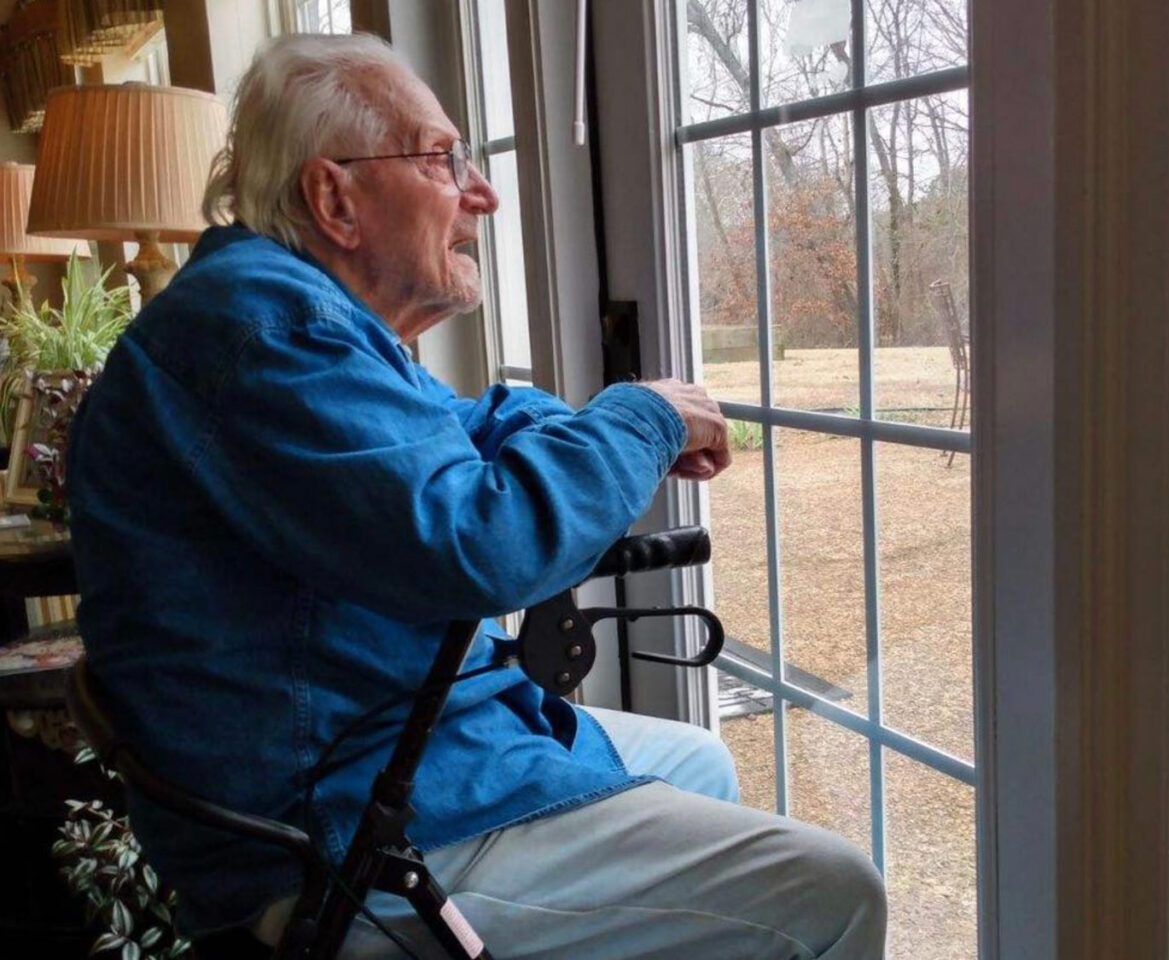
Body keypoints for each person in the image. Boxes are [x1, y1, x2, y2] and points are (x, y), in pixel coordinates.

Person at [67, 32, 886, 960]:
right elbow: (484, 542)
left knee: (698, 759)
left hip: (384, 753)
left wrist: (569, 430)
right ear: (334, 197)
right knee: (833, 891)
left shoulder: (298, 321)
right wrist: (640, 416)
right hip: (336, 827)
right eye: (442, 159)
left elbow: (475, 424)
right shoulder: (265, 334)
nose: (482, 192)